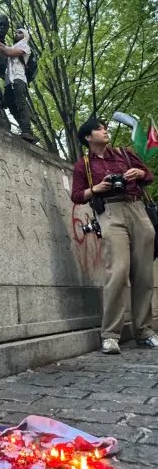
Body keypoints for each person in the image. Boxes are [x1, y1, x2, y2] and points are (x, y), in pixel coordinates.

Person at [71, 117, 157, 354]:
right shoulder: (83, 165)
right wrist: (96, 189)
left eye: (104, 127)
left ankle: (145, 331)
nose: (105, 130)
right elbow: (77, 195)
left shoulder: (125, 154)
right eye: (99, 129)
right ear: (88, 137)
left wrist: (138, 173)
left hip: (137, 208)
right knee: (117, 271)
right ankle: (110, 334)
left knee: (144, 274)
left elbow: (148, 176)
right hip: (110, 212)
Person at [0, 27, 38, 144]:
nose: (16, 34)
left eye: (20, 32)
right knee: (9, 103)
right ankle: (23, 128)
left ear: (25, 36)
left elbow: (8, 52)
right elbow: (2, 47)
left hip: (19, 79)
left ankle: (28, 131)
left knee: (20, 103)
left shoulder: (25, 46)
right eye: (16, 32)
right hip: (10, 81)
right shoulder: (15, 46)